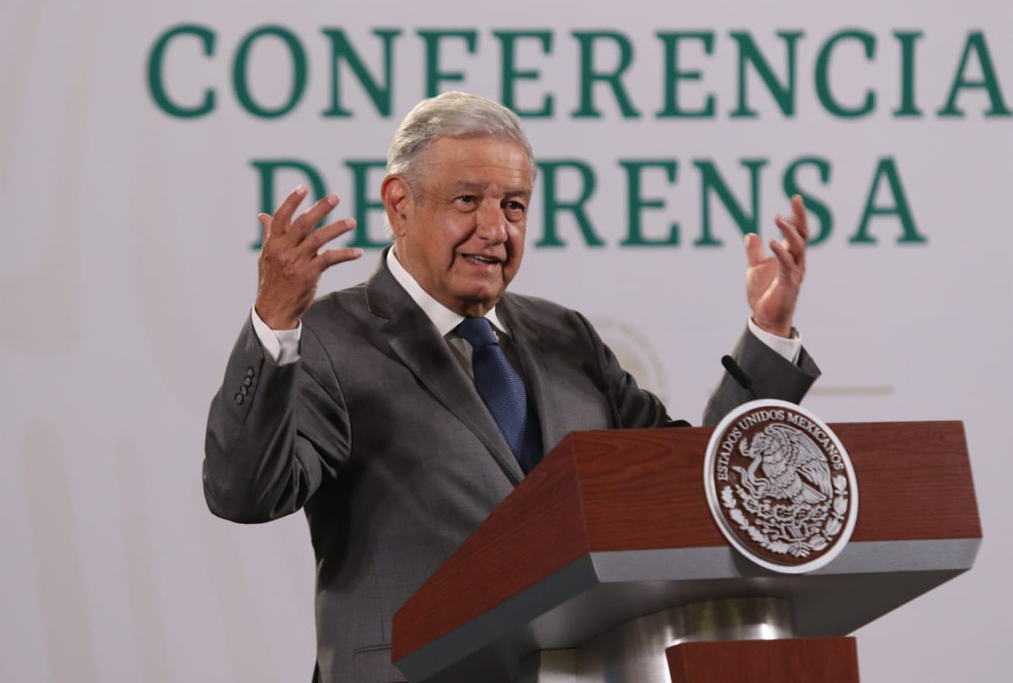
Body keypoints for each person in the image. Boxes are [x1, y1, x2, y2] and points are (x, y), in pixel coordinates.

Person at [204, 91, 819, 683]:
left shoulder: (567, 337)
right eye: (467, 200)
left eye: (514, 206)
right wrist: (275, 321)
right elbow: (245, 493)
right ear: (399, 204)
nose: (495, 229)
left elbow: (688, 484)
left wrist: (767, 337)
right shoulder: (329, 338)